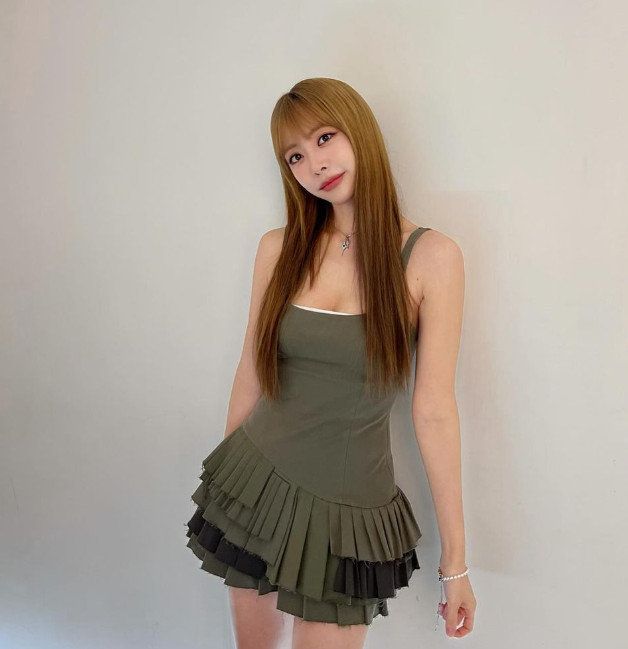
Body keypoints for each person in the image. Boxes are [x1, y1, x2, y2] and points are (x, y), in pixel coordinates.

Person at [186, 77, 476, 649]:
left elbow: (434, 410)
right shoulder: (278, 248)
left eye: (324, 138)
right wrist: (229, 492)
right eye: (295, 156)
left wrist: (456, 564)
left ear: (359, 131)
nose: (314, 164)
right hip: (257, 483)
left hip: (349, 516)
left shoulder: (432, 258)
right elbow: (251, 371)